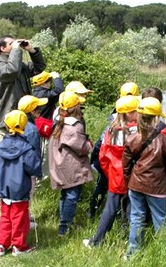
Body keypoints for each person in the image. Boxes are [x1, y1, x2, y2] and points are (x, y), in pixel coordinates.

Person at [122, 97, 166, 259]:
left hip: (135, 185)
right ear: (156, 118)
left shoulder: (131, 138)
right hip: (157, 187)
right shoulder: (164, 140)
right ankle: (163, 253)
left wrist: (128, 184)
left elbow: (125, 166)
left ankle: (132, 253)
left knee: (136, 218)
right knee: (160, 219)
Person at [83, 95, 140, 247]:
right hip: (132, 175)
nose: (139, 113)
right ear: (129, 113)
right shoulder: (137, 131)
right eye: (136, 110)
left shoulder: (112, 130)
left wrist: (110, 172)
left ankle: (97, 241)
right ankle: (129, 240)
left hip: (115, 175)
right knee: (130, 208)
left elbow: (102, 156)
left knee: (110, 208)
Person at [0, 110, 41, 257]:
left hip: (4, 190)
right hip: (20, 189)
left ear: (6, 126)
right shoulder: (26, 149)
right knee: (20, 218)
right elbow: (34, 167)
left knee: (5, 217)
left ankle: (1, 245)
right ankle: (18, 246)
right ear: (24, 126)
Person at [48, 91, 93, 236]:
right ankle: (65, 227)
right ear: (76, 106)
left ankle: (64, 223)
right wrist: (89, 145)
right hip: (71, 166)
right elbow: (81, 147)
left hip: (60, 164)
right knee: (72, 196)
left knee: (65, 195)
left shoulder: (59, 121)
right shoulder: (74, 125)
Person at [0, 35, 46, 143]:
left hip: (24, 117)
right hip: (8, 119)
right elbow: (12, 70)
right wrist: (16, 50)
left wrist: (32, 50)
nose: (16, 45)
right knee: (9, 152)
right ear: (2, 49)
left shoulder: (19, 64)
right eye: (11, 44)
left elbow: (39, 67)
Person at [17, 95, 48, 162]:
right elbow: (34, 158)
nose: (41, 110)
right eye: (39, 108)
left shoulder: (17, 124)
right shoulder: (32, 131)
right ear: (32, 111)